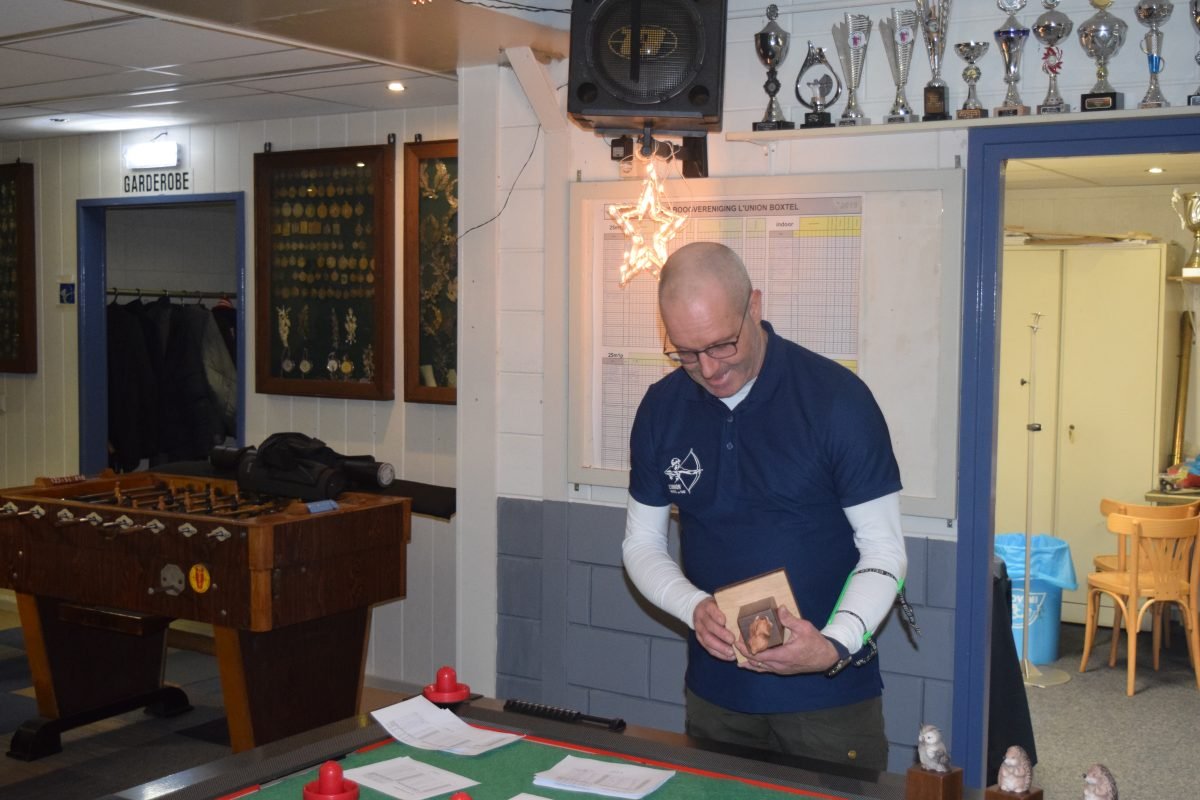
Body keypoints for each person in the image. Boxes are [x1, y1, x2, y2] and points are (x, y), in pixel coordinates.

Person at [622, 241, 908, 771]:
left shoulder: (837, 401)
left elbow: (884, 551)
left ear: (753, 307)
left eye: (721, 345)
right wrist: (692, 606)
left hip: (828, 699)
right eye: (686, 353)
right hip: (716, 697)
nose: (708, 369)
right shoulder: (662, 409)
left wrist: (834, 644)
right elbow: (641, 543)